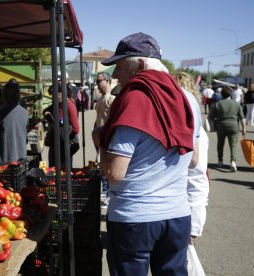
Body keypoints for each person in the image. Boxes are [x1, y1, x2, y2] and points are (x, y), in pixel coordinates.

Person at [92, 32, 201, 276]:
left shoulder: (135, 99)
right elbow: (193, 160)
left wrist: (100, 140)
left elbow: (114, 173)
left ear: (140, 65)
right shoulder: (189, 100)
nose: (115, 75)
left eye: (119, 66)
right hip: (178, 215)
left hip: (135, 218)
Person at [174, 71, 209, 245]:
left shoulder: (197, 132)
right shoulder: (177, 124)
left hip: (184, 215)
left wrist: (194, 227)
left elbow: (197, 178)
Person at [0, 79, 29, 163]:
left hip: (3, 158)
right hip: (20, 157)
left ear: (4, 95)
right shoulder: (25, 113)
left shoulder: (0, 112)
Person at [209, 86, 246, 172]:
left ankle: (220, 161)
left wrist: (212, 126)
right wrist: (244, 129)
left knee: (220, 144)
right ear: (231, 94)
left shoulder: (217, 104)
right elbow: (242, 118)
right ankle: (233, 162)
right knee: (233, 145)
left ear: (221, 94)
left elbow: (211, 117)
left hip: (221, 126)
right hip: (234, 126)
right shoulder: (236, 104)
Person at [43, 83, 80, 167]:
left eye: (53, 95)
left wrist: (58, 127)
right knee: (53, 169)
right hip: (55, 143)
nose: (52, 97)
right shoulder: (57, 104)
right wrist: (48, 116)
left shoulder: (69, 106)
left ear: (61, 93)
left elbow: (76, 129)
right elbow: (45, 111)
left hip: (65, 144)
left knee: (64, 171)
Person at [94, 72, 116, 208]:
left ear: (107, 81)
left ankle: (108, 193)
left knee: (108, 166)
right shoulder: (100, 100)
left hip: (108, 139)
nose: (97, 84)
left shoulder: (112, 99)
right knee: (101, 165)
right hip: (100, 139)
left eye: (99, 81)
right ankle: (105, 192)